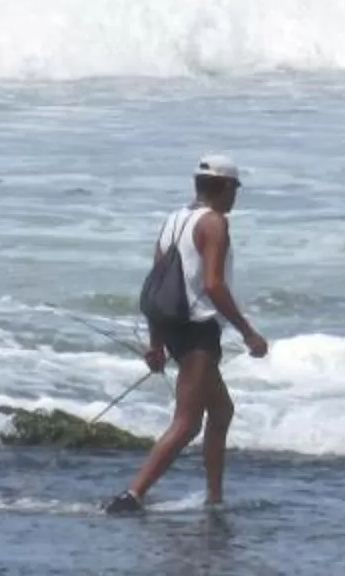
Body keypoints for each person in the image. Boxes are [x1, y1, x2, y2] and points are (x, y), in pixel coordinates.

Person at [106, 155, 270, 512]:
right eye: (235, 189)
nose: (235, 197)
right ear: (226, 187)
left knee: (222, 411)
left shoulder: (173, 220)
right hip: (197, 333)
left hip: (176, 328)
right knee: (187, 422)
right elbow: (213, 285)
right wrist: (248, 333)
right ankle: (132, 495)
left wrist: (156, 343)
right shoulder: (214, 224)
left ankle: (214, 498)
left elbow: (156, 286)